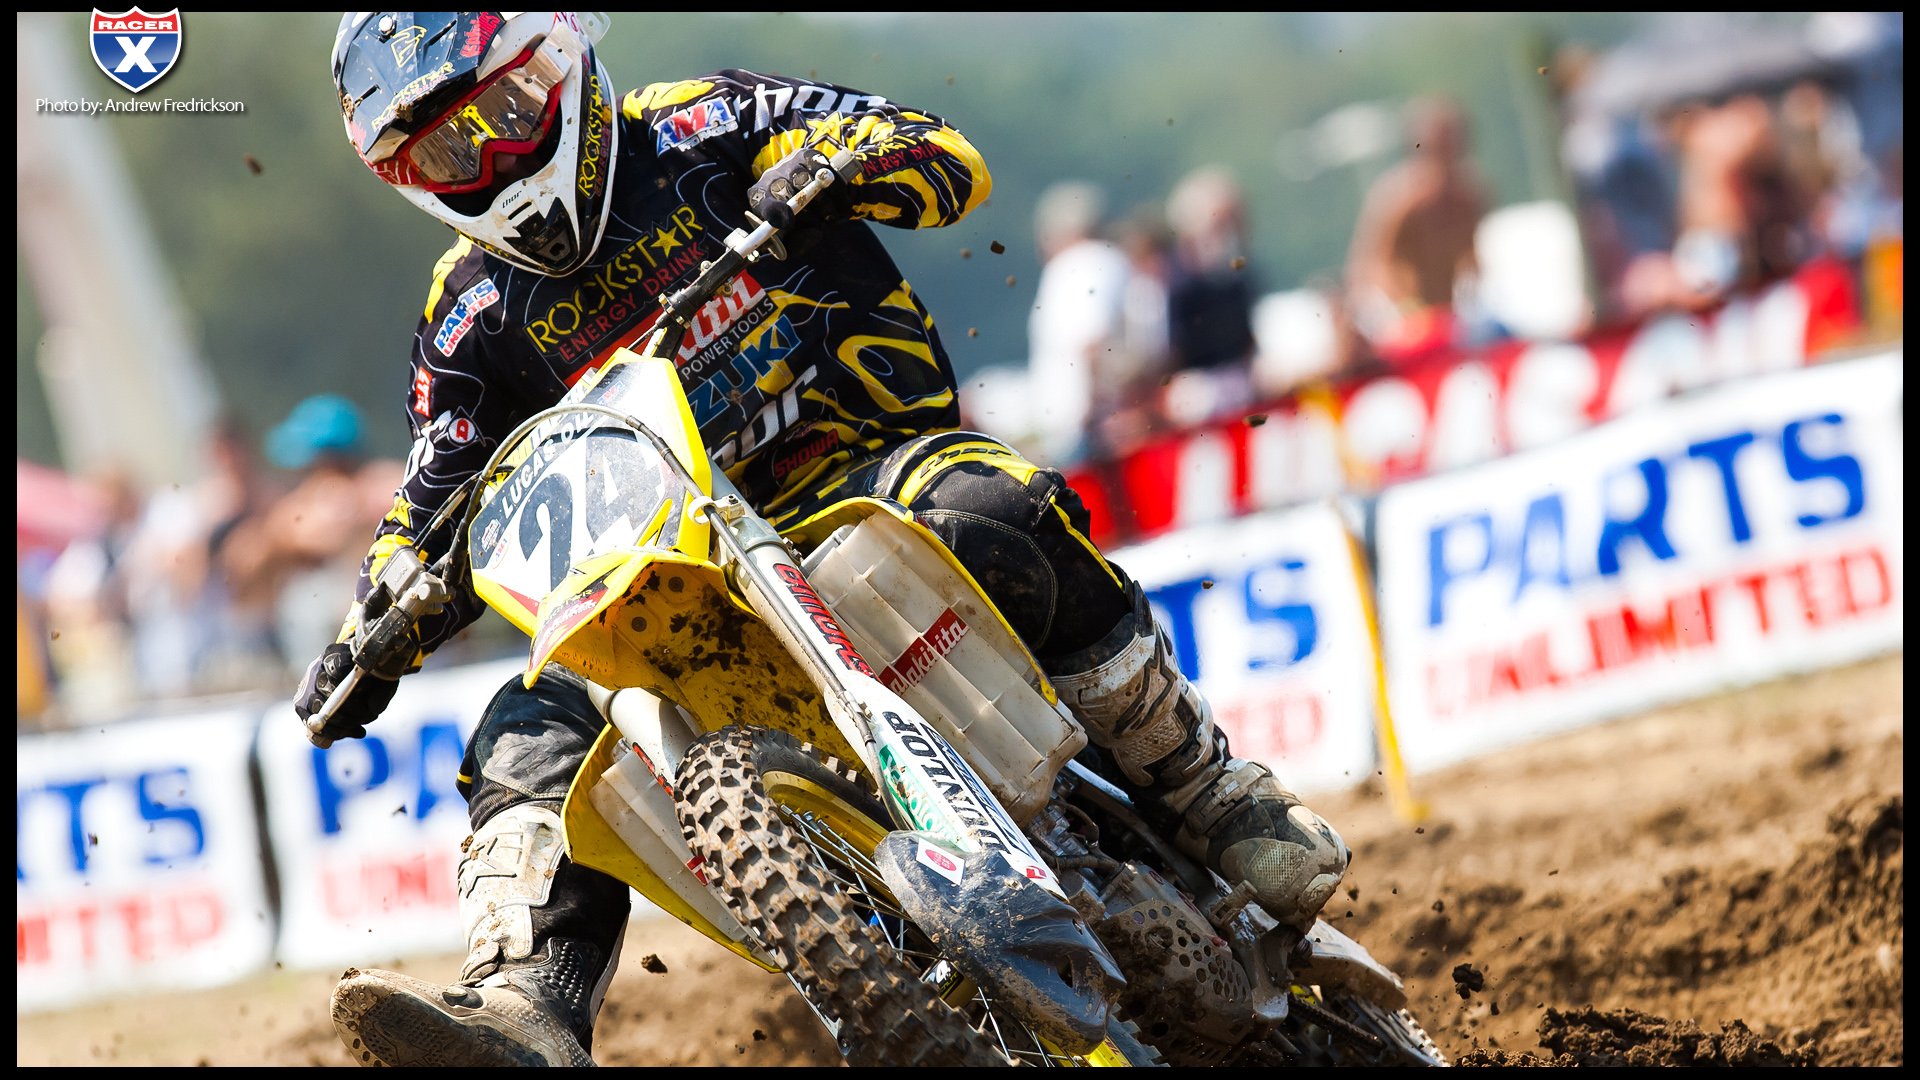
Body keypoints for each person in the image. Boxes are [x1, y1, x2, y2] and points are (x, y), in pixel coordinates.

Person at [304, 11, 1348, 1067]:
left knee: (994, 508)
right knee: (524, 729)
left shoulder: (703, 125)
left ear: (560, 62)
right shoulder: (468, 314)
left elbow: (942, 155)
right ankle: (524, 1005)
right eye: (445, 150)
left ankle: (1213, 793)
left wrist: (837, 165)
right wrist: (368, 630)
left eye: (504, 110)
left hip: (859, 476)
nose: (487, 157)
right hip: (666, 584)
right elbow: (434, 502)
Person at [1344, 95, 1490, 362]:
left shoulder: (1470, 197)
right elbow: (1370, 267)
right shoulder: (1397, 199)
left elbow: (1472, 259)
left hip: (1449, 321)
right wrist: (1406, 313)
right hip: (1404, 324)